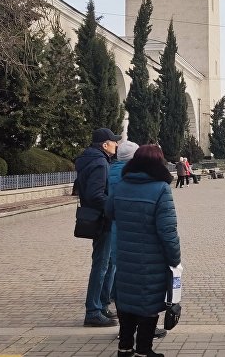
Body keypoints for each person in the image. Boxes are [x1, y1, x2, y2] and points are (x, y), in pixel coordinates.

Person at [107, 144, 181, 357]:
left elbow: (109, 211)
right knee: (148, 304)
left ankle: (125, 347)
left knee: (126, 302)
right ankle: (143, 349)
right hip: (152, 259)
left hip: (125, 254)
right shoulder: (161, 189)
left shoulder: (121, 184)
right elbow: (168, 231)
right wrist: (174, 259)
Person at [76, 127, 122, 327]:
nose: (117, 144)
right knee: (102, 265)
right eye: (114, 142)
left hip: (99, 218)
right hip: (103, 220)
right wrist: (113, 206)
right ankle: (93, 311)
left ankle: (102, 304)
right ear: (105, 145)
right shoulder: (100, 163)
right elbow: (96, 194)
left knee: (109, 263)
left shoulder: (91, 160)